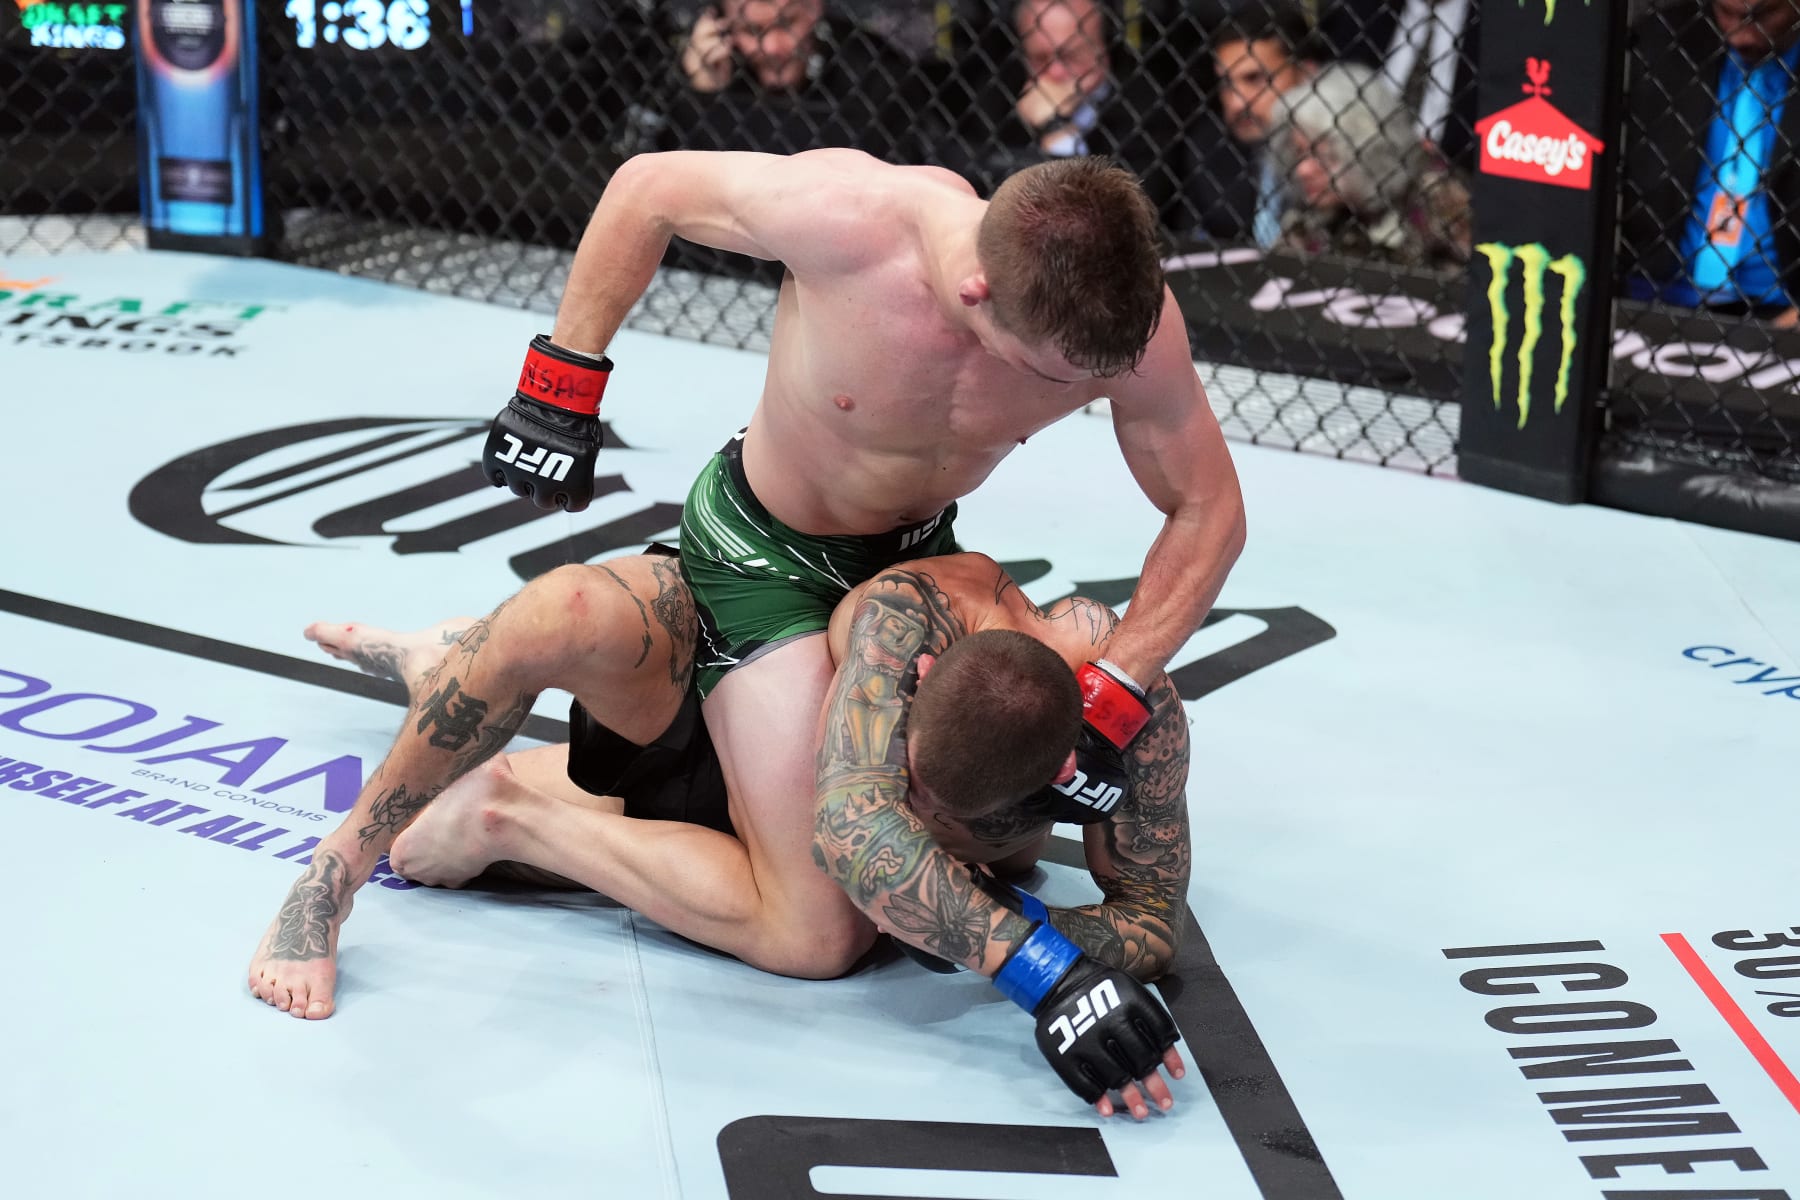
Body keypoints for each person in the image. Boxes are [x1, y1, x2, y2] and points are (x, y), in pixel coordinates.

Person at [256, 148, 1242, 1071]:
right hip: (759, 559)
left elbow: (1209, 511)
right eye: (1055, 375)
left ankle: (455, 663)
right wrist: (562, 380)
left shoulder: (1123, 324)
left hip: (911, 556)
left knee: (982, 806)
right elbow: (649, 189)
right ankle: (353, 866)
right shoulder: (853, 222)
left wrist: (1114, 695)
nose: (1070, 397)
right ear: (977, 291)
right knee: (819, 930)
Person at [251, 549, 1191, 1117]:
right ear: (922, 680)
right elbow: (856, 832)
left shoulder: (1139, 724)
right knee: (423, 851)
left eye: (943, 817)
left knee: (897, 899)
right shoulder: (902, 620)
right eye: (914, 787)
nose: (925, 826)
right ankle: (500, 781)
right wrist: (1041, 967)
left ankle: (445, 658)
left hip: (827, 790)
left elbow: (1151, 915)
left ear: (1061, 771)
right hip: (759, 758)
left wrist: (1001, 912)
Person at [1621, 0, 1800, 326]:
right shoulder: (1657, 41)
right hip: (1652, 293)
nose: (1741, 36)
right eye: (1728, 14)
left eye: (1762, 18)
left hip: (1781, 309)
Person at [1267, 61, 1473, 268]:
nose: (1303, 170)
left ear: (1368, 152)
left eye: (1324, 156)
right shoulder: (1311, 211)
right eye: (1299, 152)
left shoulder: (1437, 198)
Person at [1197, 2, 1316, 246]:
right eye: (1227, 84)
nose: (1236, 103)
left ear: (1306, 73)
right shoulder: (1209, 151)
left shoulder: (1341, 161)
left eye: (1255, 79)